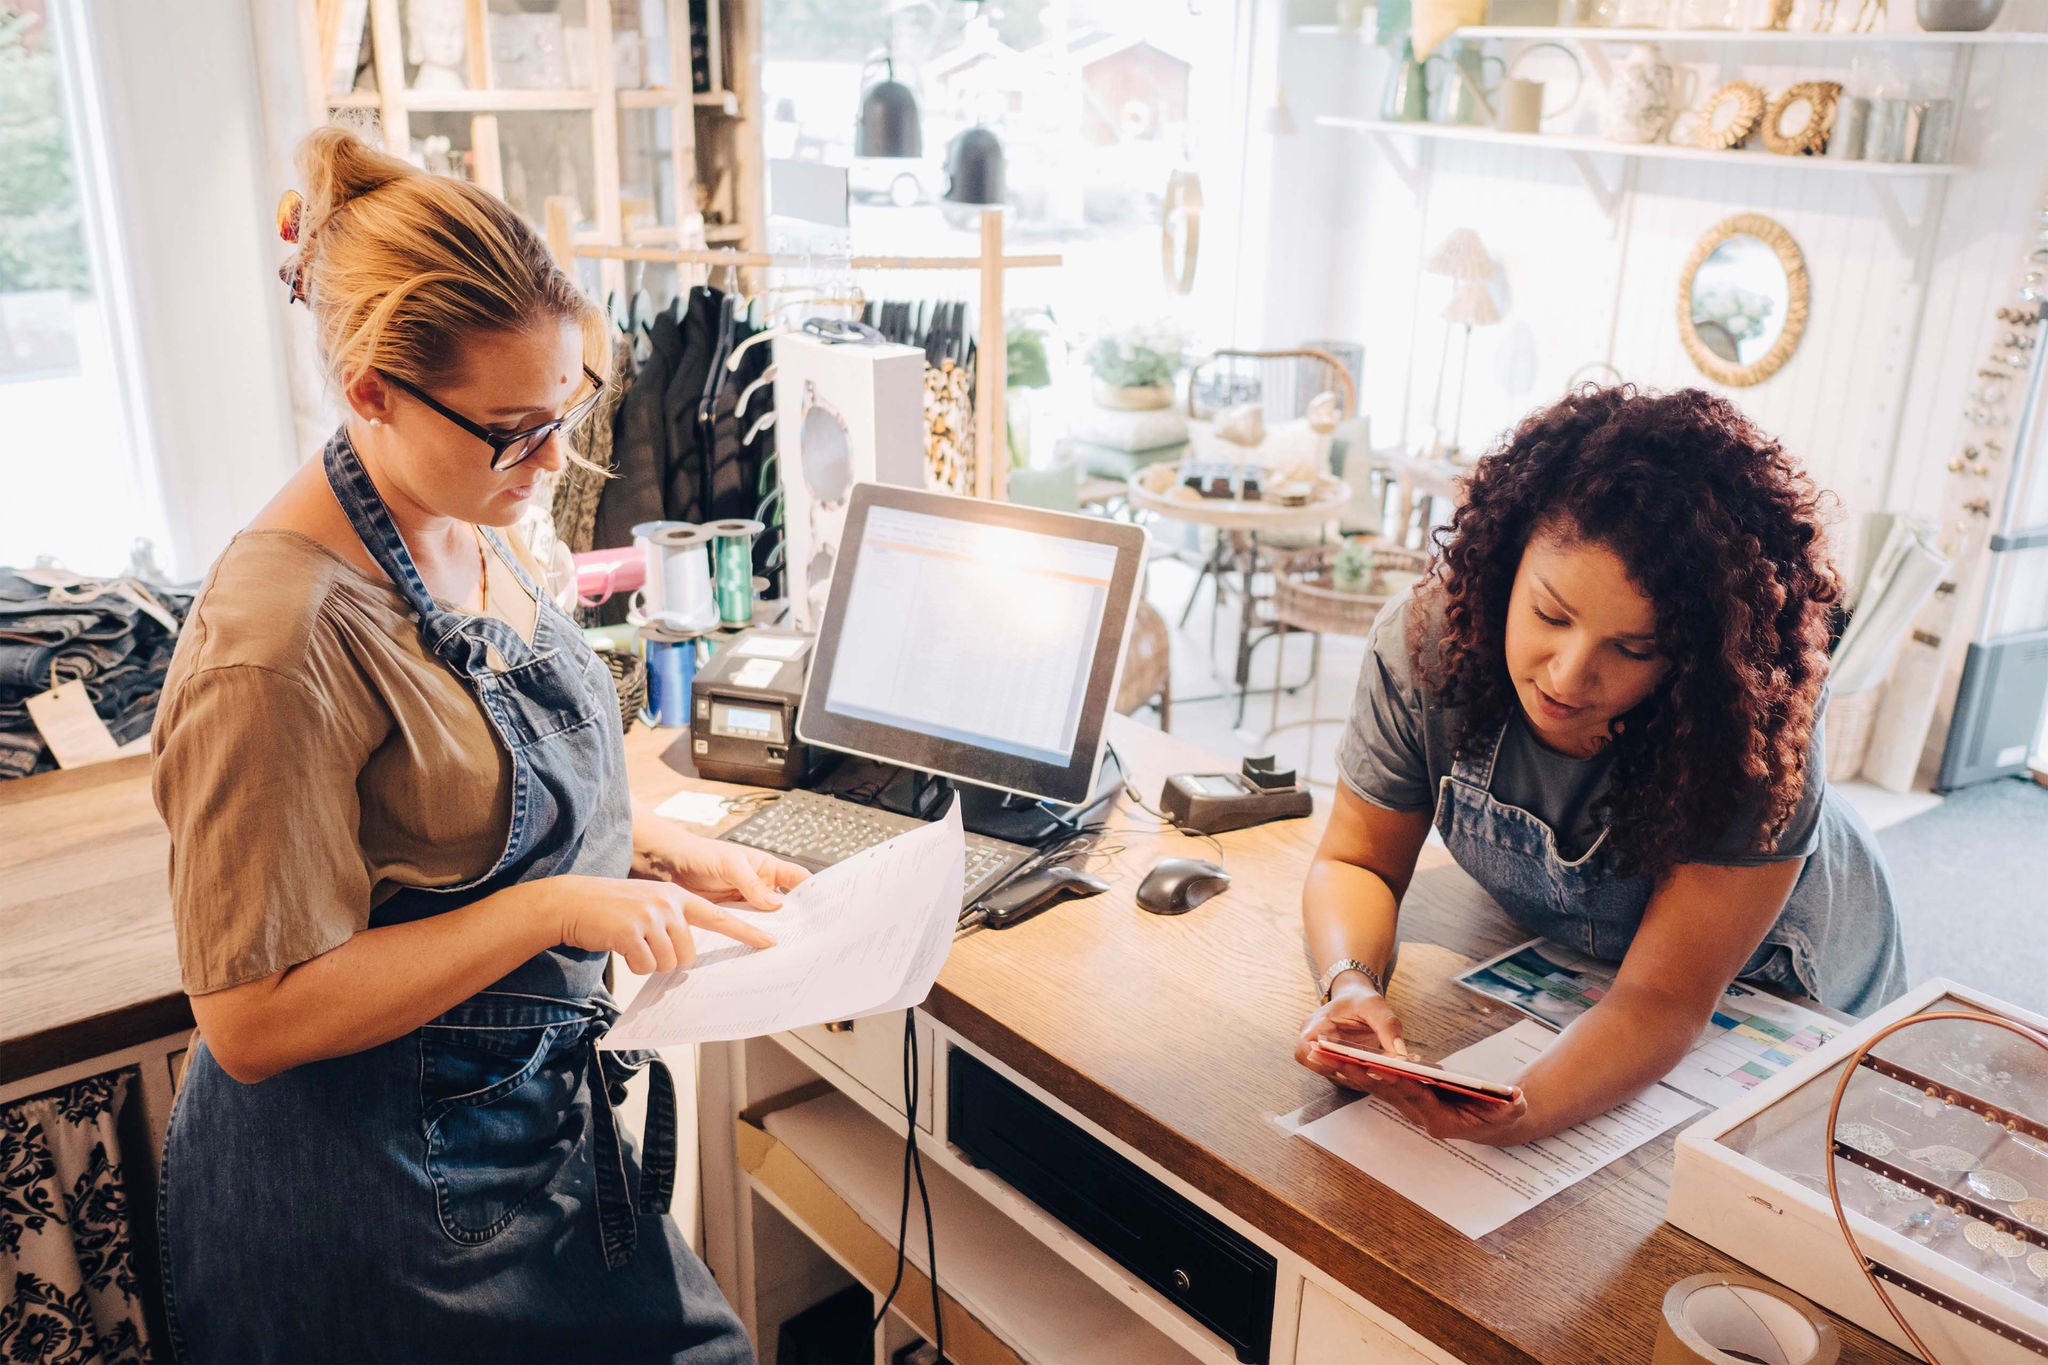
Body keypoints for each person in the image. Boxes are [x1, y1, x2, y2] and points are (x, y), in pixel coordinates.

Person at [151, 126, 804, 1362]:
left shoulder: (462, 507)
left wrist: (649, 846)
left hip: (521, 1140)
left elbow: (450, 799)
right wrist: (558, 909)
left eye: (566, 410)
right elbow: (250, 1017)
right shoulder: (275, 641)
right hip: (374, 1202)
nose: (553, 461)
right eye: (513, 429)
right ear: (370, 391)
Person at [1295, 386, 1905, 1146]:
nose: (1568, 676)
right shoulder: (1427, 642)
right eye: (1550, 615)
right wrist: (1350, 981)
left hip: (1796, 986)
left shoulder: (1745, 725)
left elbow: (1662, 998)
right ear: (1505, 564)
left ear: (1691, 659)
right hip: (1599, 970)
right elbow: (1358, 860)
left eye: (1633, 648)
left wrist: (1529, 1106)